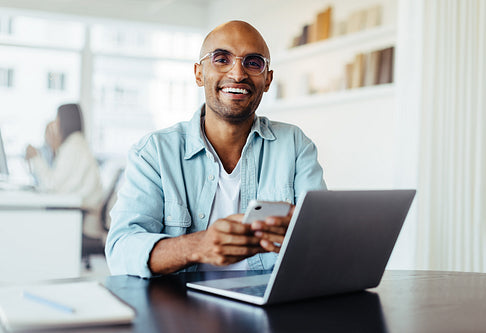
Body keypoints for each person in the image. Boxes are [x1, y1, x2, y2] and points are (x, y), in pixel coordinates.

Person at [105, 20, 327, 278]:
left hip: (269, 303)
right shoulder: (154, 152)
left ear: (267, 79)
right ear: (199, 74)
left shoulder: (295, 145)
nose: (238, 74)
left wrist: (306, 233)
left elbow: (321, 240)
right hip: (180, 308)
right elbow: (121, 250)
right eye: (222, 59)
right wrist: (197, 246)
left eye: (253, 63)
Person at [25, 103, 104, 238]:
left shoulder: (72, 147)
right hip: (82, 217)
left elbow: (51, 186)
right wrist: (55, 150)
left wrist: (36, 158)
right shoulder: (76, 144)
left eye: (57, 119)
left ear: (64, 121)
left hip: (82, 221)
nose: (55, 125)